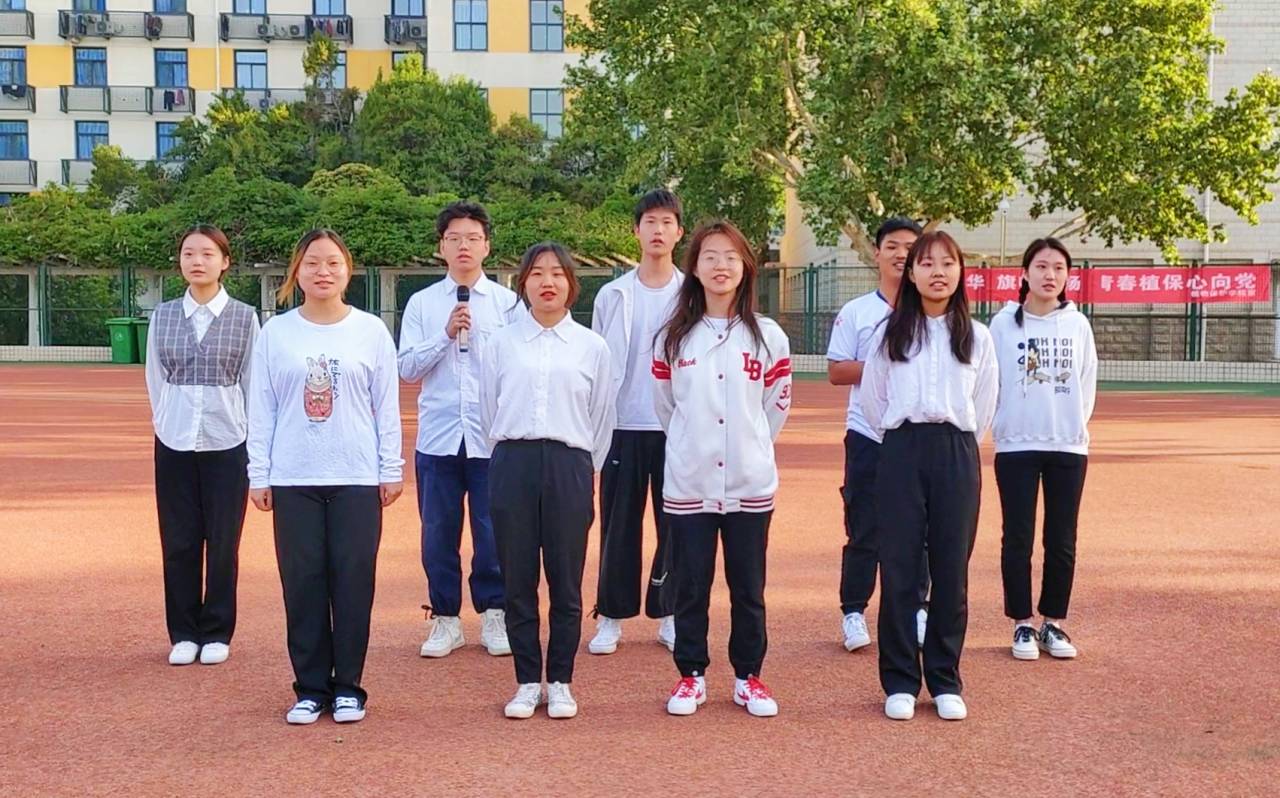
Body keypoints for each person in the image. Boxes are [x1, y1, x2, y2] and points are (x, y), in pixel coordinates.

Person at [247, 229, 404, 725]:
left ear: (347, 270)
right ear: (297, 271)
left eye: (333, 263)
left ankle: (349, 687)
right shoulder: (276, 333)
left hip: (356, 475)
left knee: (354, 582)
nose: (323, 272)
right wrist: (259, 473)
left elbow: (387, 406)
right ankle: (310, 688)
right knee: (303, 583)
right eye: (313, 263)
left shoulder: (370, 331)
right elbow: (262, 407)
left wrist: (391, 468)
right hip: (294, 476)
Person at [653, 220, 792, 718]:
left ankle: (748, 676)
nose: (721, 266)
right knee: (691, 585)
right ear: (694, 267)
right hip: (689, 480)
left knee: (748, 587)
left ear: (746, 267)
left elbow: (775, 407)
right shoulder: (674, 338)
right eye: (710, 256)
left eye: (731, 257)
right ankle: (690, 675)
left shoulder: (768, 337)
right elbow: (666, 406)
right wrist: (693, 444)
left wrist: (749, 445)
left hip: (750, 482)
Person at [861, 230, 998, 722]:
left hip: (956, 452)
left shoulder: (977, 337)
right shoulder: (890, 334)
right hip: (901, 450)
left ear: (960, 272)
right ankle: (899, 680)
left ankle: (944, 679)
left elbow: (984, 404)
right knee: (898, 569)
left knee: (951, 570)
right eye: (926, 263)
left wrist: (954, 442)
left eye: (947, 263)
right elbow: (874, 399)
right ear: (912, 273)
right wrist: (904, 438)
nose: (937, 272)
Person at [481, 242, 613, 720]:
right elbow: (487, 409)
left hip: (569, 465)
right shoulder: (500, 343)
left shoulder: (592, 347)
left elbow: (602, 417)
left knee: (566, 582)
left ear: (571, 284)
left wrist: (583, 467)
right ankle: (524, 682)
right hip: (512, 463)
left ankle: (559, 681)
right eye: (537, 273)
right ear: (524, 284)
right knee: (517, 581)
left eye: (557, 273)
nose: (548, 282)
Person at [398, 201, 521, 659]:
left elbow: (518, 366)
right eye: (454, 238)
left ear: (487, 246)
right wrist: (445, 334)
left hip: (492, 437)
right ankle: (445, 619)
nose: (463, 246)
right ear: (441, 247)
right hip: (439, 437)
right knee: (437, 534)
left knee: (493, 533)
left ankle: (494, 614)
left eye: (472, 238)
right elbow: (407, 368)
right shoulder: (423, 303)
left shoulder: (508, 304)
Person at [145, 224, 258, 667]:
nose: (197, 261)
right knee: (178, 540)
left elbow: (251, 381)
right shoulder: (163, 316)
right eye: (189, 253)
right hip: (173, 440)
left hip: (228, 440)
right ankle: (183, 632)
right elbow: (156, 378)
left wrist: (250, 435)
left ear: (225, 262)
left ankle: (216, 631)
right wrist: (165, 422)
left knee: (224, 540)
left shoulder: (245, 318)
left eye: (208, 254)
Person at [989, 238, 1097, 661]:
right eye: (1041, 266)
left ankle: (1053, 621)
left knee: (1061, 537)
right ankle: (1021, 622)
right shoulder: (1003, 324)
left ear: (1067, 276)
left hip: (1067, 446)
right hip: (1016, 444)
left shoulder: (1078, 324)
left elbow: (1086, 382)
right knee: (1017, 537)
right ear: (1025, 273)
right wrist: (1003, 425)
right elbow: (991, 381)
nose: (1050, 275)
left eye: (1058, 268)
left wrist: (1069, 426)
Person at [826, 217, 930, 652]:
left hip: (916, 434)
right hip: (867, 433)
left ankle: (917, 608)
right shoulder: (857, 312)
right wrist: (884, 367)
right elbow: (837, 370)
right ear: (877, 252)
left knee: (919, 527)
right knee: (864, 525)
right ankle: (854, 611)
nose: (901, 254)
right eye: (892, 246)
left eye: (910, 247)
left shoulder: (931, 312)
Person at [588, 189, 685, 656]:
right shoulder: (613, 294)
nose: (658, 230)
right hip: (622, 425)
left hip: (676, 427)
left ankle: (670, 613)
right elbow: (596, 359)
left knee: (676, 525)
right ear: (636, 230)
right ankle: (610, 615)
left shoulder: (692, 293)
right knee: (618, 526)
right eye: (650, 222)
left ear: (679, 232)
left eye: (667, 222)